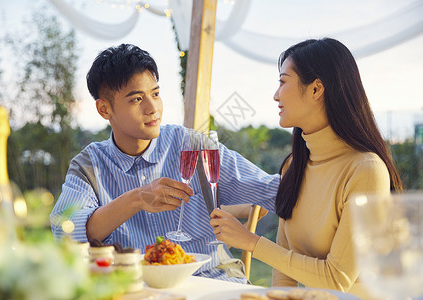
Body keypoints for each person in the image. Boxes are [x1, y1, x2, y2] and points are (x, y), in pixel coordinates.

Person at [50, 43, 279, 283]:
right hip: (133, 287)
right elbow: (64, 232)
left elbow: (267, 189)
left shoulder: (190, 144)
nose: (153, 108)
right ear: (104, 109)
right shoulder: (89, 165)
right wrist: (137, 198)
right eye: (137, 99)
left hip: (212, 278)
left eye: (156, 94)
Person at [209, 37, 402, 297]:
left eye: (283, 81)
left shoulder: (366, 170)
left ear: (316, 89)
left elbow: (337, 280)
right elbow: (284, 273)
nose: (275, 95)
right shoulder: (295, 166)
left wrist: (252, 242)